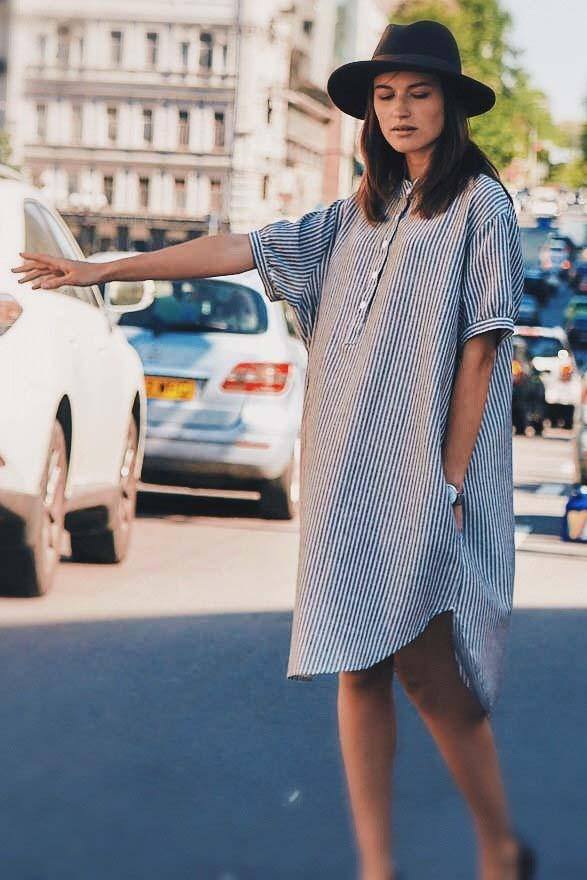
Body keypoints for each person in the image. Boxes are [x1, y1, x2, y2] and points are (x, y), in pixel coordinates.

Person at [12, 19, 536, 880]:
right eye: (385, 95)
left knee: (430, 675)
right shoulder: (352, 214)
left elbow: (481, 347)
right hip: (343, 468)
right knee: (356, 666)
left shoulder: (481, 207)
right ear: (370, 112)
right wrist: (102, 269)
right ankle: (377, 866)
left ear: (450, 104)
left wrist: (446, 481)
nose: (401, 110)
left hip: (425, 475)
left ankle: (496, 847)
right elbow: (241, 248)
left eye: (419, 92)